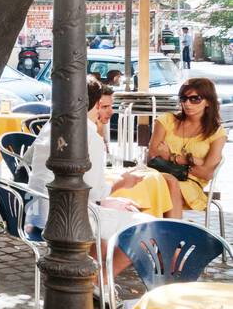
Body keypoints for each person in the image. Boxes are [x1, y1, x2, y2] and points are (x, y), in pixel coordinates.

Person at [25, 78, 150, 275]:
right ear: (96, 103)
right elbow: (95, 192)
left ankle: (95, 277)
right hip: (66, 219)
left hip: (37, 210)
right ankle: (102, 280)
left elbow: (28, 159)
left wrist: (111, 201)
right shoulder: (89, 136)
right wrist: (124, 182)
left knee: (119, 211)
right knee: (147, 225)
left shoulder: (52, 126)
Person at [112, 77, 226, 218]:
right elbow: (153, 157)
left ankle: (169, 233)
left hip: (190, 185)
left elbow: (207, 174)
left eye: (195, 99)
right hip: (157, 176)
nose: (187, 104)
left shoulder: (216, 132)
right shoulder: (166, 120)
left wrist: (175, 158)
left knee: (169, 183)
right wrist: (193, 161)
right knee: (143, 183)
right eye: (183, 99)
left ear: (208, 101)